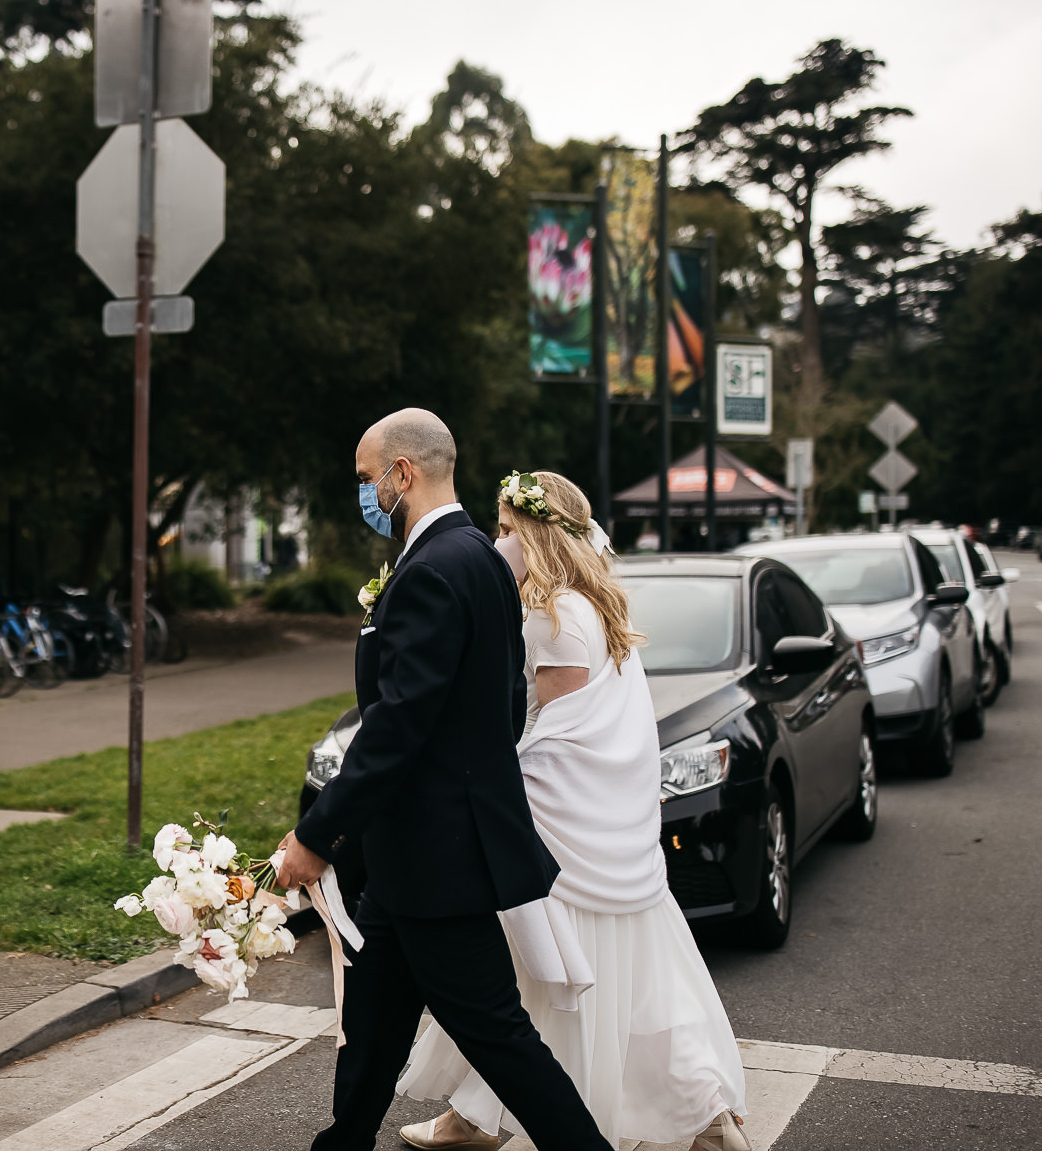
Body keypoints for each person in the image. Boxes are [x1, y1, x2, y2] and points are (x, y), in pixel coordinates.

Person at [273, 410, 613, 1151]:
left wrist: (314, 834)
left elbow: (397, 726)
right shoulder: (480, 557)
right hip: (416, 858)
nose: (364, 494)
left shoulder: (433, 568)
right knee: (373, 1019)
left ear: (402, 473)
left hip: (437, 857)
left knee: (497, 1036)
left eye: (367, 478)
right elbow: (505, 701)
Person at [394, 469, 749, 1151]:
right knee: (631, 984)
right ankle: (701, 1118)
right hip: (609, 823)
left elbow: (556, 732)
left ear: (533, 532)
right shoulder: (592, 601)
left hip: (562, 821)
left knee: (527, 977)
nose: (496, 542)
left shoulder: (551, 614)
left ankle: (481, 1118)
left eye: (503, 530)